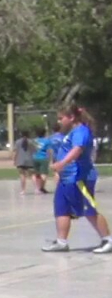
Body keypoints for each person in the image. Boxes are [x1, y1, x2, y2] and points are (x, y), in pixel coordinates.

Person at [42, 104, 112, 253]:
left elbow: (77, 150)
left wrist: (61, 164)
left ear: (72, 117)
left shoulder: (81, 131)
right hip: (66, 179)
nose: (59, 121)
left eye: (61, 118)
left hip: (79, 178)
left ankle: (107, 239)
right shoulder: (72, 132)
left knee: (89, 210)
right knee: (61, 209)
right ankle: (61, 242)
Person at [13, 130, 36, 196]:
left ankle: (23, 190)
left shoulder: (17, 142)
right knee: (32, 175)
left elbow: (15, 152)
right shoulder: (31, 142)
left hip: (20, 161)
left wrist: (14, 160)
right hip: (29, 160)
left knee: (22, 176)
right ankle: (36, 189)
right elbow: (34, 151)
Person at [32, 127, 52, 195]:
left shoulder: (34, 141)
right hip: (43, 158)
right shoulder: (47, 141)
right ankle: (41, 188)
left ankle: (36, 188)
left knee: (35, 174)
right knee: (44, 173)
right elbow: (49, 151)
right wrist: (49, 159)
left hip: (34, 157)